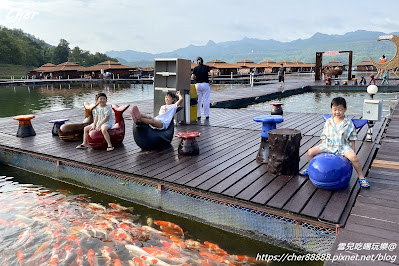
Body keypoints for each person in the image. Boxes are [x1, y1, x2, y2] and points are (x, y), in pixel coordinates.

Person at [299, 97, 370, 188]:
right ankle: (310, 169)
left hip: (342, 146)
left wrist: (353, 149)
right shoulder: (328, 121)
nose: (337, 112)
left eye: (340, 110)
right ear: (332, 109)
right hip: (328, 145)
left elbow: (352, 137)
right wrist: (323, 145)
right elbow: (324, 134)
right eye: (335, 110)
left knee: (354, 158)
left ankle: (361, 177)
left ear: (345, 109)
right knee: (310, 152)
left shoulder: (348, 123)